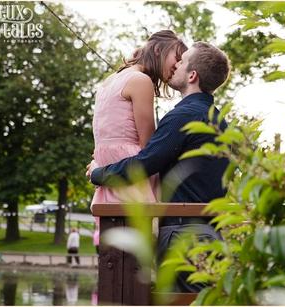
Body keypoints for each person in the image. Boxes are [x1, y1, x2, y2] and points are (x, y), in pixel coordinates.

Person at [87, 42, 231, 292]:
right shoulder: (217, 118)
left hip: (183, 234)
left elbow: (145, 163)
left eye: (182, 61)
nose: (175, 65)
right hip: (211, 233)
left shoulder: (183, 116)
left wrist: (99, 173)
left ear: (192, 75)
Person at [90, 30, 188, 242]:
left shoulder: (109, 81)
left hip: (108, 166)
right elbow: (148, 145)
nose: (178, 65)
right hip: (132, 173)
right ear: (157, 50)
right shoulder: (140, 81)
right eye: (177, 57)